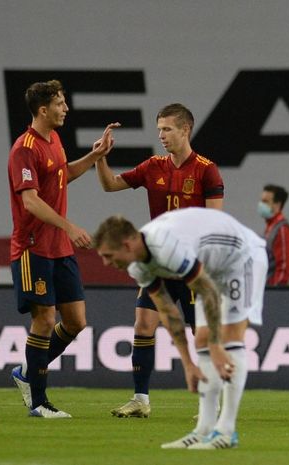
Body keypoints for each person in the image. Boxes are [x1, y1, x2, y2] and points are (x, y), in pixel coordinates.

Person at [93, 208, 267, 449]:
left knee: (229, 338)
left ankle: (226, 432)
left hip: (243, 256)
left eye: (108, 255)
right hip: (213, 267)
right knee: (202, 339)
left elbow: (208, 292)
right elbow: (168, 312)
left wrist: (217, 346)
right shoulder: (138, 266)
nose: (106, 263)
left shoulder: (165, 245)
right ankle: (204, 430)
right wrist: (188, 364)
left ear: (127, 245)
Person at [94, 103, 224, 418]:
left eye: (167, 129)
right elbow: (110, 185)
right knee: (142, 325)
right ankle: (140, 399)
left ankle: (210, 402)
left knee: (201, 337)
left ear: (185, 130)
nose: (162, 136)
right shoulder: (153, 166)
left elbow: (214, 223)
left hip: (192, 269)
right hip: (158, 265)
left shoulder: (206, 169)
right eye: (159, 130)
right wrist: (99, 157)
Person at [7, 79, 119, 418]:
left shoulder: (54, 140)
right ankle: (39, 402)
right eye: (60, 103)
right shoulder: (24, 149)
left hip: (58, 250)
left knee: (75, 321)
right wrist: (70, 226)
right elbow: (30, 201)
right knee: (44, 319)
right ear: (44, 110)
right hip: (32, 248)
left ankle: (27, 373)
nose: (66, 109)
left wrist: (95, 155)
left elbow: (61, 176)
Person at [259, 184, 289, 286]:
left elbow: (285, 269)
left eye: (265, 201)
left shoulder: (283, 230)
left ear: (277, 204)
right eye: (261, 200)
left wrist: (276, 293)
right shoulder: (270, 228)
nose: (260, 204)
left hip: (281, 296)